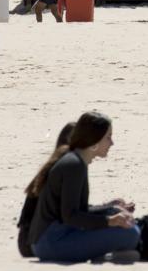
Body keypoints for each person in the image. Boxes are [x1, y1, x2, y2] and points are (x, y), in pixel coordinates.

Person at [26, 111, 140, 262]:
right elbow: (71, 216)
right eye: (108, 137)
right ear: (94, 140)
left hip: (49, 239)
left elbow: (75, 210)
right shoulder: (74, 165)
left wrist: (110, 209)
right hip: (51, 243)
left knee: (129, 226)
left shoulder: (76, 161)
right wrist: (109, 221)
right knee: (130, 234)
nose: (111, 143)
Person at [17, 121, 76, 257]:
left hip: (25, 241)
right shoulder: (64, 170)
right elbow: (71, 213)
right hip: (35, 243)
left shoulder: (50, 167)